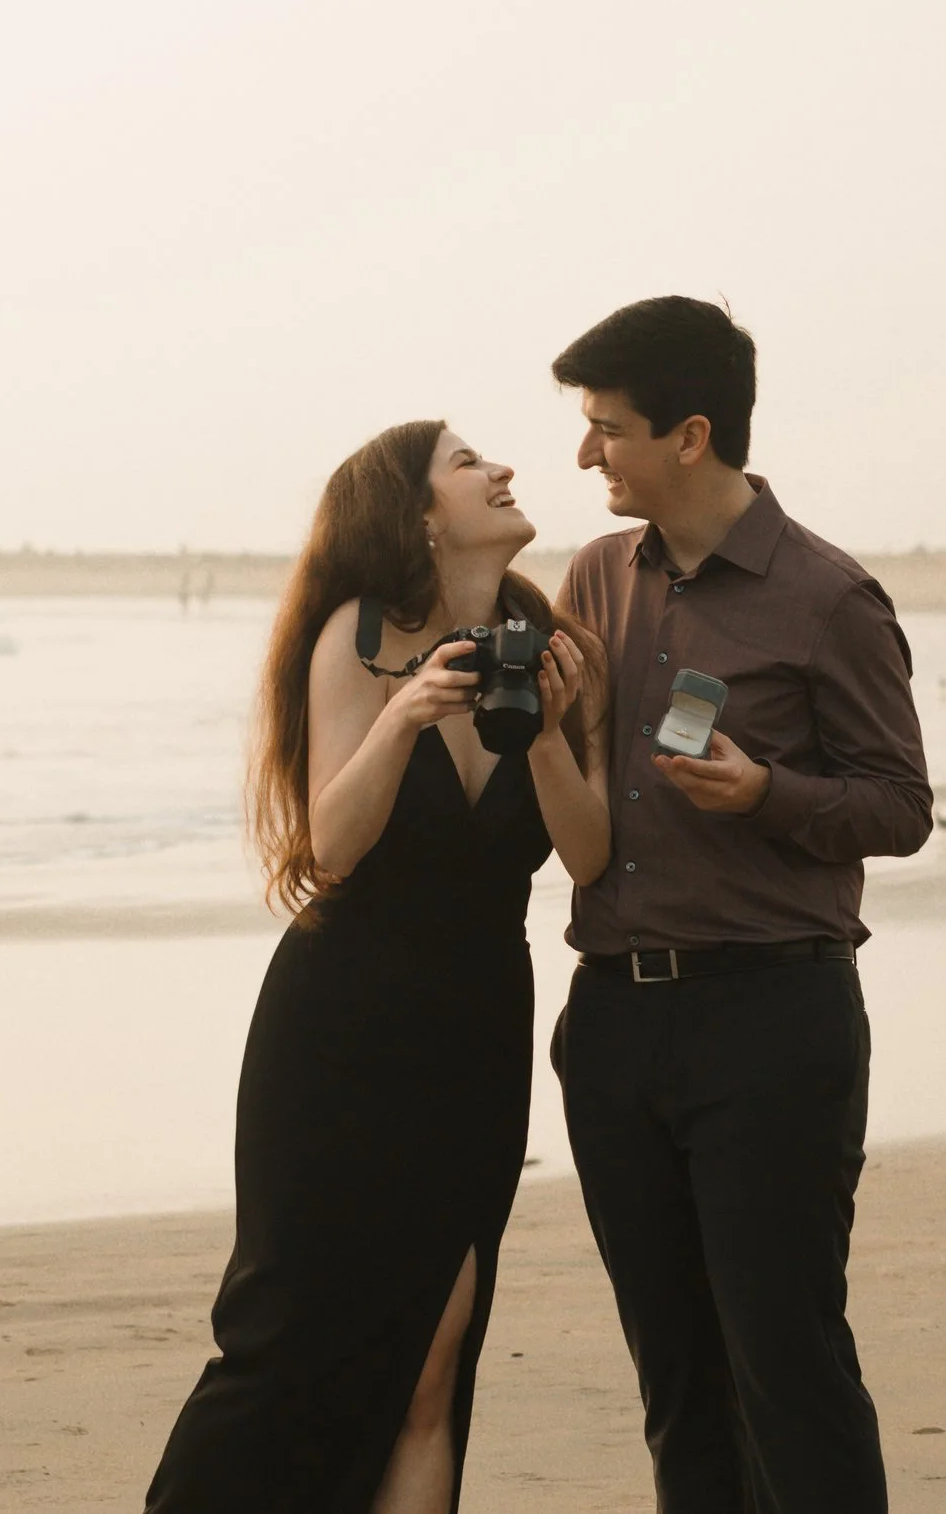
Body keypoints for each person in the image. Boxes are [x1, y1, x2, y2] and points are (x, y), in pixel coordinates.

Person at [147, 420, 612, 1514]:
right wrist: (402, 713)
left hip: (476, 1034)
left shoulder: (548, 639)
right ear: (414, 513)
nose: (500, 468)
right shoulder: (354, 638)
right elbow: (329, 847)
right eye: (466, 462)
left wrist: (544, 731)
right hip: (337, 1032)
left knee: (434, 1359)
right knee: (277, 1341)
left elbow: (589, 854)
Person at [547, 297, 933, 1512]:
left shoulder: (827, 596)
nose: (585, 453)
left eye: (607, 428)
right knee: (676, 1378)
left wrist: (768, 791)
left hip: (774, 1019)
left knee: (788, 1363)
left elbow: (899, 806)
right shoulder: (595, 577)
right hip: (611, 1025)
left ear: (690, 435)